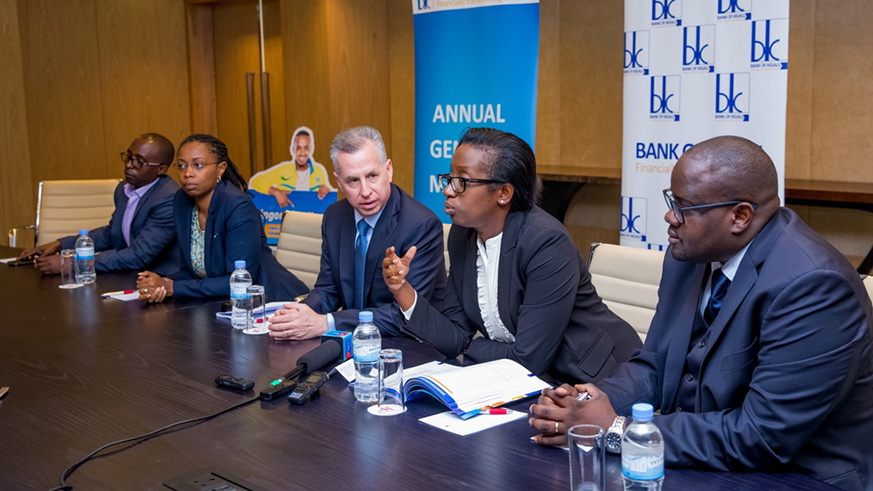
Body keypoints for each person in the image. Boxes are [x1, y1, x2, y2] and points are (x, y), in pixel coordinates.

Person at [529, 136, 873, 490]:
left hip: (799, 477)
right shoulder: (689, 257)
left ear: (740, 216)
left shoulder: (814, 286)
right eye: (671, 200)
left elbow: (763, 435)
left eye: (683, 206)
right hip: (705, 462)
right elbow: (655, 365)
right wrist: (581, 407)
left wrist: (618, 429)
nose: (669, 217)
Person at [382, 128, 641, 383]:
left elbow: (529, 359)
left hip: (599, 378)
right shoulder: (463, 236)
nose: (448, 190)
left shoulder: (546, 242)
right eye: (449, 178)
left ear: (504, 193)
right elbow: (456, 336)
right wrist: (401, 289)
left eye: (462, 181)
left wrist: (472, 348)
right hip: (528, 381)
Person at [267, 126, 446, 340]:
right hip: (353, 340)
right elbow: (328, 289)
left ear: (388, 170)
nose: (365, 191)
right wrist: (298, 315)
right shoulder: (335, 217)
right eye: (353, 180)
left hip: (410, 344)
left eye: (372, 176)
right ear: (338, 181)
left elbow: (405, 316)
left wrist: (325, 323)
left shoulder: (421, 225)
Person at [137, 134, 308, 303]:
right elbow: (193, 270)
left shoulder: (237, 206)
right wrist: (160, 283)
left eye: (198, 165)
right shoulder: (182, 201)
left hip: (270, 303)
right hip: (219, 304)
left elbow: (239, 281)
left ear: (221, 168)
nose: (187, 173)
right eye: (181, 166)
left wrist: (173, 288)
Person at [19, 133, 180, 275]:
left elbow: (139, 255)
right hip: (129, 273)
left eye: (139, 161)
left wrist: (76, 263)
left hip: (160, 280)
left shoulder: (168, 198)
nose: (129, 165)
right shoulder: (124, 189)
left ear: (161, 169)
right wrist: (59, 245)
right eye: (129, 157)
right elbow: (112, 234)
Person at [249, 126, 336, 207]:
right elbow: (256, 182)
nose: (302, 153)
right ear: (293, 149)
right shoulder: (284, 169)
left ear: (310, 149)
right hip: (287, 219)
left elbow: (323, 196)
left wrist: (325, 190)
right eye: (298, 148)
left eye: (305, 148)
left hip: (311, 219)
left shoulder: (318, 171)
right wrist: (276, 192)